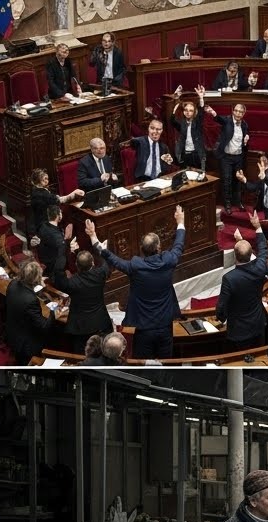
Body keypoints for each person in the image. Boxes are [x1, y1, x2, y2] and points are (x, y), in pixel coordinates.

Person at [105, 206, 185, 358]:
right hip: (165, 327)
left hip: (143, 328)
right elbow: (179, 245)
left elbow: (115, 261)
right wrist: (180, 222)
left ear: (142, 249)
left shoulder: (134, 266)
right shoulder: (168, 261)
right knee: (165, 364)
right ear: (159, 247)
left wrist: (98, 244)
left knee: (141, 364)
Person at [53, 220, 115, 352]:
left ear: (76, 266)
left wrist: (65, 244)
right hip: (100, 322)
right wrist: (93, 235)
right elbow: (105, 258)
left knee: (81, 356)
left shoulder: (71, 283)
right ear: (93, 263)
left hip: (79, 327)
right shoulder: (101, 274)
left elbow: (58, 272)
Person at [216, 213, 268, 350]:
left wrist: (221, 319)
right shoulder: (260, 267)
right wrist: (257, 227)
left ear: (235, 256)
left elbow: (222, 306)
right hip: (258, 325)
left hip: (239, 331)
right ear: (251, 253)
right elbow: (263, 249)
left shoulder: (229, 279)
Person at [3, 259, 58, 364]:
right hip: (26, 343)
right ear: (36, 279)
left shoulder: (12, 284)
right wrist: (53, 310)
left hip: (12, 333)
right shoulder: (31, 300)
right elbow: (44, 326)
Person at [206, 103, 250, 212]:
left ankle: (238, 201)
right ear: (233, 111)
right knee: (226, 180)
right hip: (226, 157)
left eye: (241, 112)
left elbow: (246, 136)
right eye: (236, 111)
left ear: (244, 113)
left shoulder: (244, 125)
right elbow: (218, 118)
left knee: (238, 180)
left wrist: (246, 138)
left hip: (239, 157)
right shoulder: (227, 120)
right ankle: (227, 204)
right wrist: (213, 112)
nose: (238, 113)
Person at [28, 168, 83, 241]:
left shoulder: (36, 190)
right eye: (44, 179)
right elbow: (59, 200)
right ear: (39, 181)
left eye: (47, 178)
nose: (46, 181)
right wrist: (73, 194)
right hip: (45, 223)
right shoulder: (41, 194)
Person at [170, 87, 207, 170]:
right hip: (185, 155)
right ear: (183, 111)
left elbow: (201, 113)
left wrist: (201, 98)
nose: (188, 112)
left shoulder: (197, 123)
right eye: (186, 110)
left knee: (198, 179)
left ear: (194, 112)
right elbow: (172, 121)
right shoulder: (181, 123)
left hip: (196, 154)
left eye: (191, 110)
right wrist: (174, 110)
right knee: (185, 179)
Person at [35, 204, 69, 276]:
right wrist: (66, 240)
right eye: (60, 212)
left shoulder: (42, 225)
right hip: (51, 264)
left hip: (44, 256)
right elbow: (62, 250)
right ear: (58, 215)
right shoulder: (56, 236)